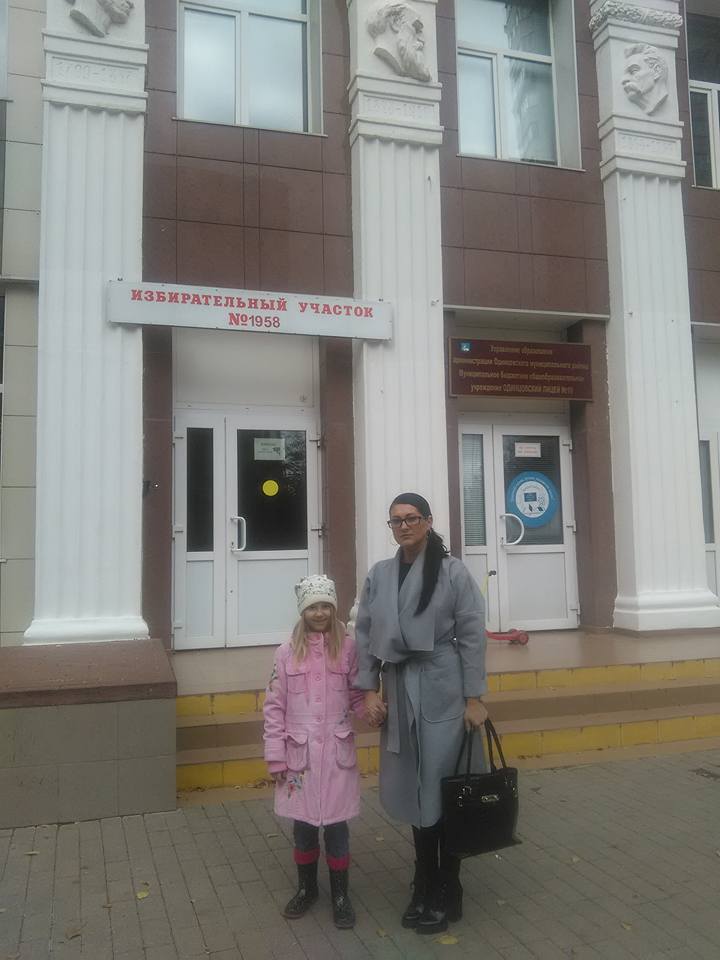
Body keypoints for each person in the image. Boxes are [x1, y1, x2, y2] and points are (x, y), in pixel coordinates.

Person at [353, 493, 488, 935]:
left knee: (442, 788)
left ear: (428, 522)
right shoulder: (380, 574)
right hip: (398, 690)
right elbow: (364, 633)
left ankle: (448, 884)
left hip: (442, 688)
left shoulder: (452, 572)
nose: (404, 526)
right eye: (396, 520)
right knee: (414, 790)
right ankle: (424, 880)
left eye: (412, 518)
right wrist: (368, 689)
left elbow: (472, 635)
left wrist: (474, 697)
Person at [263, 575, 365, 929]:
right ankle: (307, 889)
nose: (319, 613)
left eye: (325, 606)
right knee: (304, 827)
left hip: (337, 754)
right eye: (312, 607)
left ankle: (340, 895)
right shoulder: (285, 653)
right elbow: (274, 707)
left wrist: (373, 711)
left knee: (337, 828)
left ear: (333, 608)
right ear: (302, 611)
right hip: (299, 758)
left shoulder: (348, 648)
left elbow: (357, 694)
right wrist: (276, 755)